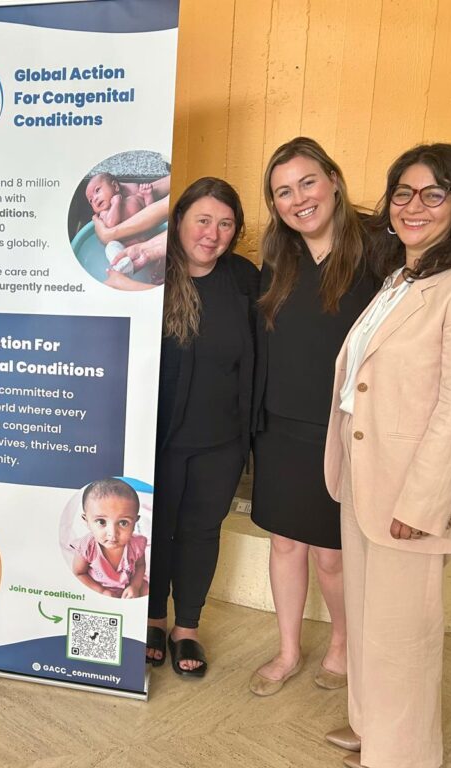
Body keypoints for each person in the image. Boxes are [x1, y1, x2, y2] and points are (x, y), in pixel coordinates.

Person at [322, 144, 451, 768]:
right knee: (370, 620)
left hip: (410, 491)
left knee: (403, 634)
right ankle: (372, 727)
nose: (414, 206)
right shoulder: (401, 279)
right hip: (365, 473)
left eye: (434, 194)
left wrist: (425, 503)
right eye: (403, 192)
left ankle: (403, 756)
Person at [248, 138, 380, 696]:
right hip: (281, 428)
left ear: (333, 180)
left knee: (331, 555)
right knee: (284, 545)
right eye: (283, 192)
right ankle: (287, 650)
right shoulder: (278, 258)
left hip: (342, 430)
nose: (298, 199)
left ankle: (341, 647)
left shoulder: (378, 249)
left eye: (307, 183)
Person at [146, 177, 260, 676]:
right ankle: (152, 617)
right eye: (203, 220)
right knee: (154, 527)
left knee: (200, 530)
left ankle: (186, 627)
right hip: (156, 437)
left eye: (226, 224)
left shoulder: (245, 279)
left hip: (221, 440)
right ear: (178, 221)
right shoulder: (151, 275)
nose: (212, 234)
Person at [70, 478, 148, 598]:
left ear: (135, 522)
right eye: (101, 521)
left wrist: (135, 586)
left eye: (123, 523)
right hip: (97, 589)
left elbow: (140, 566)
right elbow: (79, 573)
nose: (112, 533)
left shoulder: (136, 544)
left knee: (147, 589)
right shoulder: (86, 547)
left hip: (128, 587)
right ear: (86, 521)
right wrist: (101, 591)